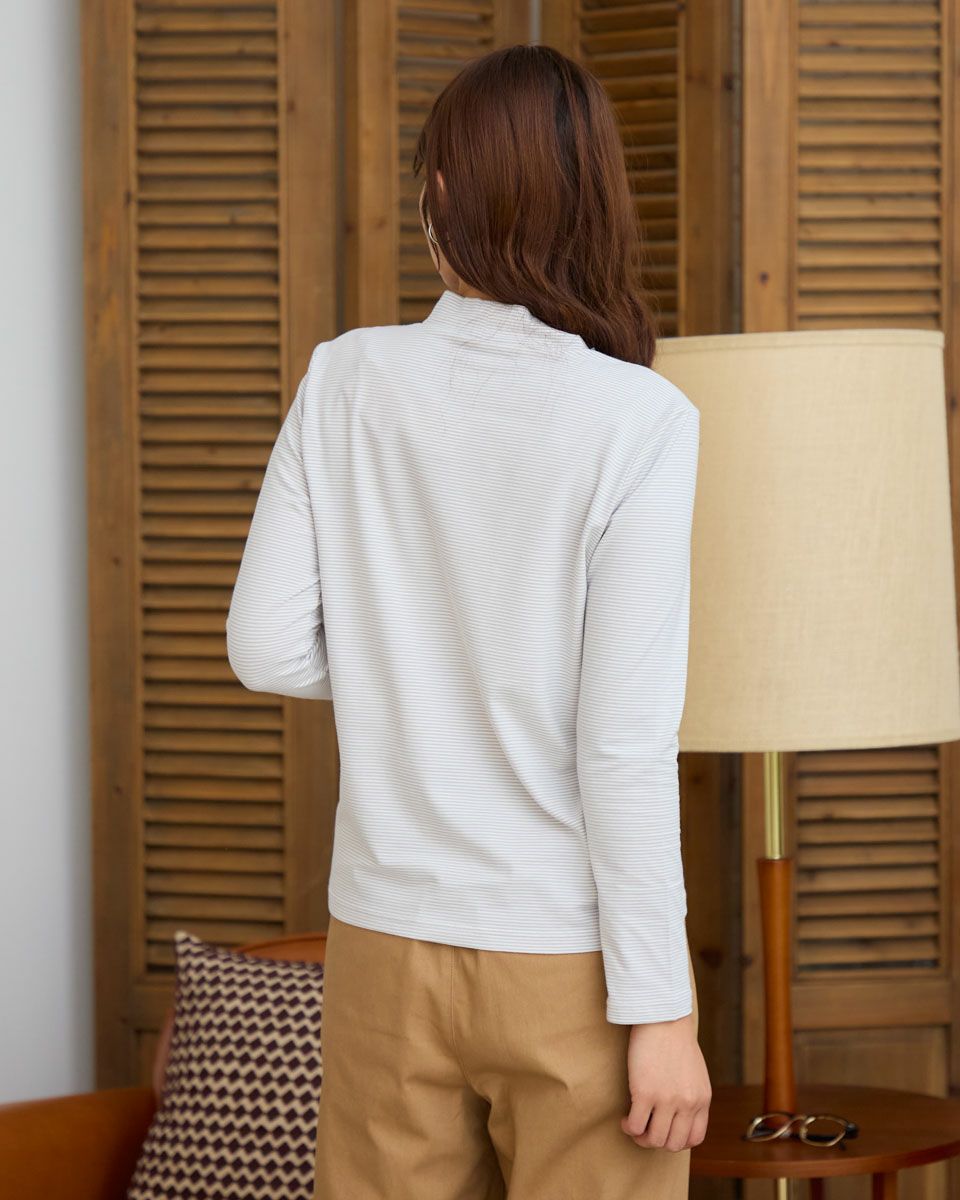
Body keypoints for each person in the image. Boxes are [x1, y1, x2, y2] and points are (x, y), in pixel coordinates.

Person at [225, 41, 711, 1200]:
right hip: (569, 962)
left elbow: (265, 646)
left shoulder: (344, 380)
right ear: (592, 202)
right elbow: (622, 742)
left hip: (382, 946)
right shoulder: (640, 418)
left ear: (440, 194)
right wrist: (663, 1012)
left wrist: (409, 668)